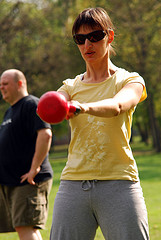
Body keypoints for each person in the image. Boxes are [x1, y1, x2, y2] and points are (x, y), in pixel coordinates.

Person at [50, 7, 150, 240]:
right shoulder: (70, 87)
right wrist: (53, 106)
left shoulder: (130, 80)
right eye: (80, 39)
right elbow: (55, 104)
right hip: (73, 184)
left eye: (95, 36)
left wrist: (82, 107)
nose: (88, 45)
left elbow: (118, 106)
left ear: (110, 36)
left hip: (119, 182)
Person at [0, 69, 53, 240]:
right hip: (13, 181)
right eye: (0, 84)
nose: (1, 87)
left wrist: (35, 168)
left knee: (26, 227)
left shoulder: (31, 104)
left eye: (5, 83)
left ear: (20, 83)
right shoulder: (10, 111)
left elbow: (45, 134)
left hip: (28, 180)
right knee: (24, 227)